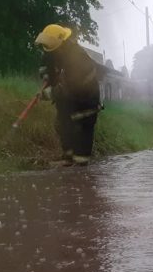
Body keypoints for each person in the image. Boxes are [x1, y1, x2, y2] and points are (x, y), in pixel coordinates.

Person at [34, 24, 107, 166]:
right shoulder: (53, 50)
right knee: (62, 124)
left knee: (82, 129)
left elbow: (72, 85)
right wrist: (47, 77)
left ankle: (80, 165)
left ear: (60, 42)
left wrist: (48, 93)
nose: (47, 49)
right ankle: (68, 158)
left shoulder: (77, 56)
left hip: (86, 99)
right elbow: (47, 66)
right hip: (68, 100)